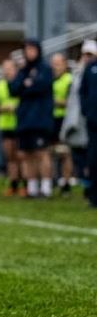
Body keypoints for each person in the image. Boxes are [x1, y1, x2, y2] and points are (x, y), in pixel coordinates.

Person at [9, 39, 55, 198]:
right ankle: (32, 187)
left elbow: (41, 86)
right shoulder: (23, 71)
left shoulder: (45, 69)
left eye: (32, 49)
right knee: (26, 154)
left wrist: (27, 86)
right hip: (24, 120)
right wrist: (26, 84)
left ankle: (46, 187)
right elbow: (13, 88)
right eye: (26, 49)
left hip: (40, 119)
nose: (29, 52)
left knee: (41, 152)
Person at [62, 40, 97, 199]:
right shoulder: (82, 72)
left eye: (90, 54)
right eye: (84, 54)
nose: (86, 57)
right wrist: (86, 111)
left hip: (88, 120)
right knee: (86, 157)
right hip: (84, 121)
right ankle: (90, 191)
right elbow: (81, 94)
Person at [0, 59, 22, 196]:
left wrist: (17, 107)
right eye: (5, 68)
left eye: (10, 68)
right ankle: (13, 183)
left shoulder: (21, 84)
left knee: (20, 155)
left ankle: (25, 184)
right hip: (5, 124)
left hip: (20, 124)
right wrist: (3, 108)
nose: (7, 71)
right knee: (10, 155)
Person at [50, 53, 74, 195]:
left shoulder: (69, 79)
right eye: (54, 63)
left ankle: (66, 183)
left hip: (64, 119)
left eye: (58, 63)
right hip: (50, 119)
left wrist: (56, 102)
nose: (55, 66)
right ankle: (52, 181)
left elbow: (71, 102)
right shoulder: (49, 79)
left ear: (65, 64)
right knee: (50, 151)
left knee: (65, 152)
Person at [79, 40, 97, 208]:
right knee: (92, 159)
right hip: (93, 122)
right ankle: (93, 196)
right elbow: (82, 92)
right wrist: (87, 111)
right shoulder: (88, 70)